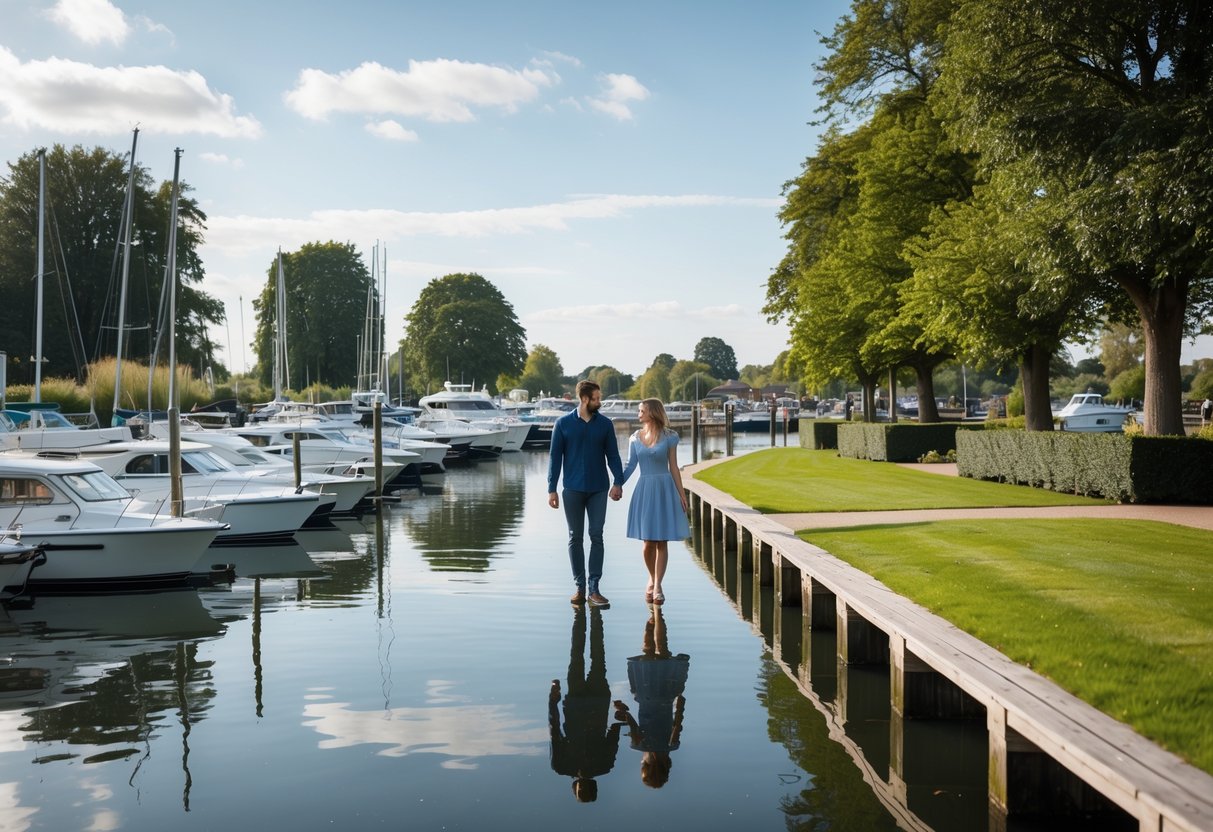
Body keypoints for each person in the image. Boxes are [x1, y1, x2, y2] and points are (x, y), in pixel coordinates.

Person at [548, 379, 624, 607]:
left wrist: (618, 482)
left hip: (599, 488)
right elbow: (555, 458)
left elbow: (613, 456)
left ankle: (595, 589)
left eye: (599, 398)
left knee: (596, 535)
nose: (599, 402)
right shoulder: (562, 424)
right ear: (584, 399)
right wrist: (551, 489)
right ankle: (579, 588)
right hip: (571, 489)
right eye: (596, 398)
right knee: (575, 537)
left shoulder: (605, 425)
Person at [548, 605, 623, 802]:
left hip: (595, 704)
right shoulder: (562, 767)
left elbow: (614, 732)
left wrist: (621, 717)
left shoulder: (604, 766)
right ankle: (581, 615)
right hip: (576, 705)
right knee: (577, 656)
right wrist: (552, 702)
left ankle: (592, 616)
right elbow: (554, 730)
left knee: (597, 656)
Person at [620, 398, 690, 605]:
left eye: (641, 411)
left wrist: (682, 494)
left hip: (664, 489)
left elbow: (674, 467)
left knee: (661, 541)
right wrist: (617, 484)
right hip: (645, 489)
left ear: (652, 412)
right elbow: (630, 465)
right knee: (648, 542)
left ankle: (658, 584)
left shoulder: (670, 437)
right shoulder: (634, 437)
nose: (638, 414)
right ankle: (651, 576)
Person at [613, 606, 689, 788]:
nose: (640, 761)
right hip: (645, 695)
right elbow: (631, 721)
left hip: (666, 696)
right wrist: (621, 709)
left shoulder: (672, 744)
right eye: (642, 764)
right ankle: (652, 618)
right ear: (649, 761)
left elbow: (678, 722)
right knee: (648, 653)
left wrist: (680, 701)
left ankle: (658, 614)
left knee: (663, 651)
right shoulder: (639, 744)